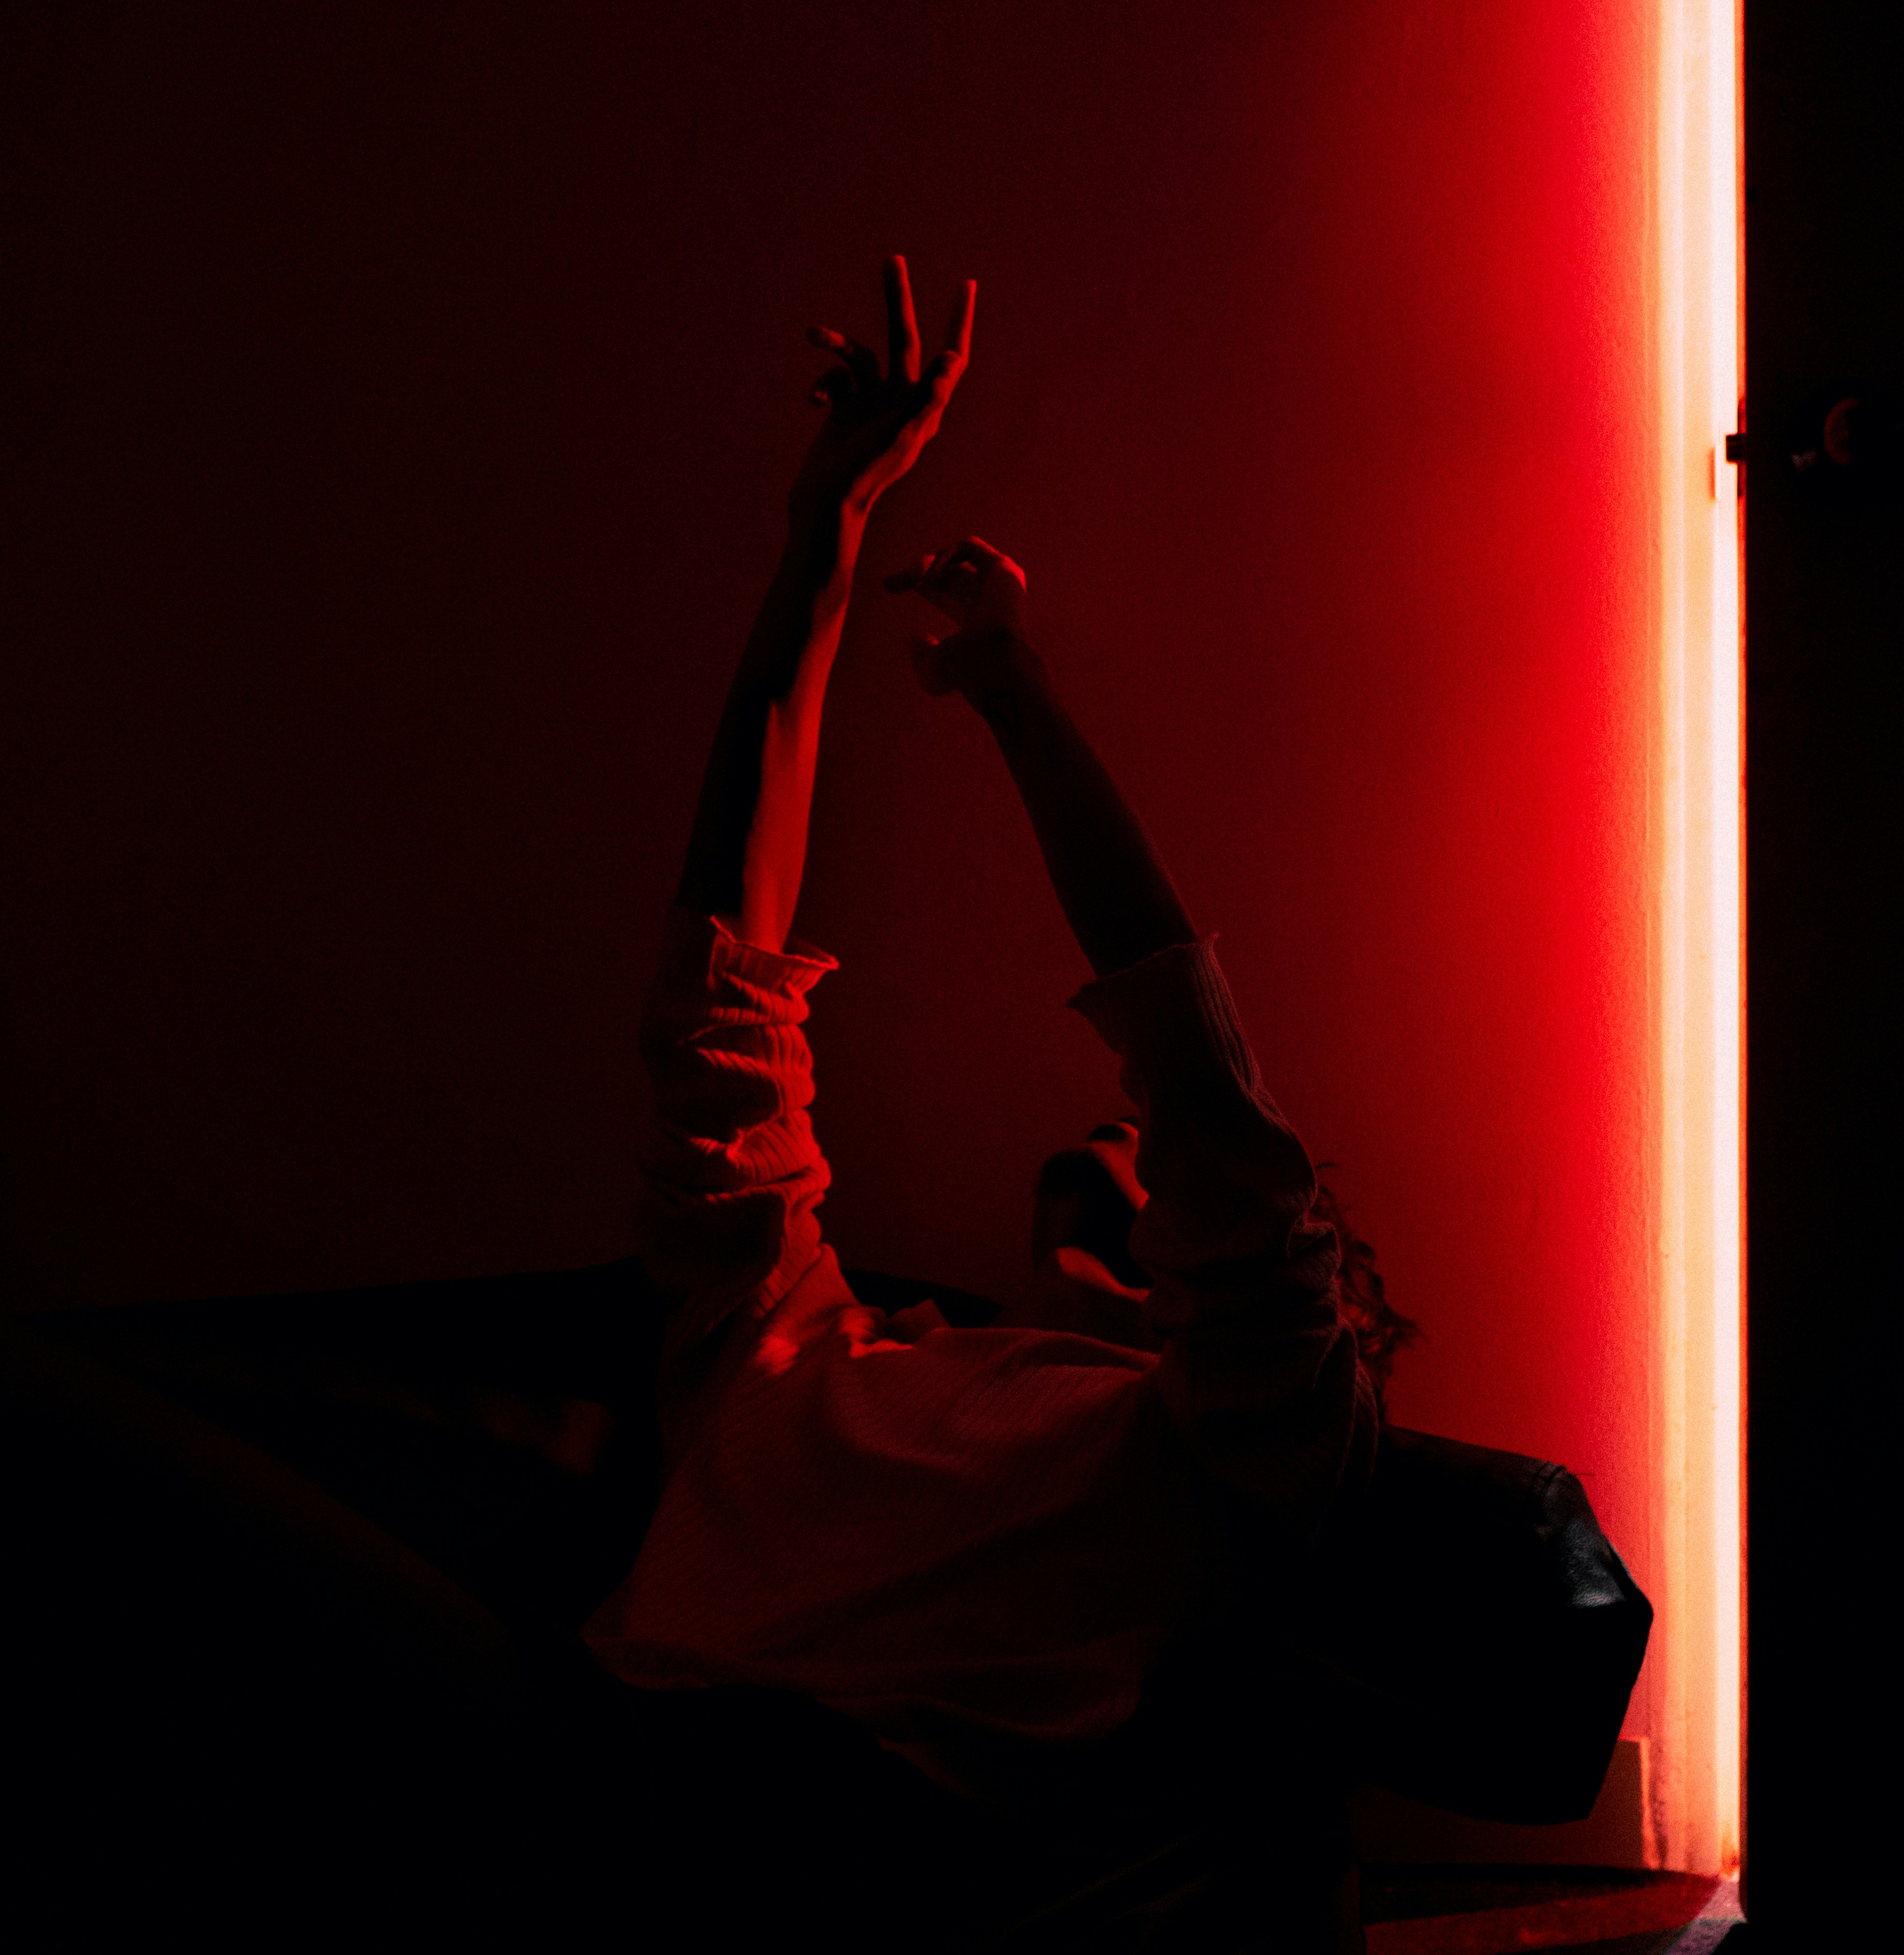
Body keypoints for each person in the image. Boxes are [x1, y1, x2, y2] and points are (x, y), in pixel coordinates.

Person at [579, 253, 1410, 1813]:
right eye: (1099, 1165)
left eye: (1139, 1178)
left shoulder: (1245, 1455)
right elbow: (721, 971)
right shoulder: (801, 1339)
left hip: (824, 1825)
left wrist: (1020, 695)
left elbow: (1186, 1044)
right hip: (585, 1758)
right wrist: (825, 528)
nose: (1096, 1172)